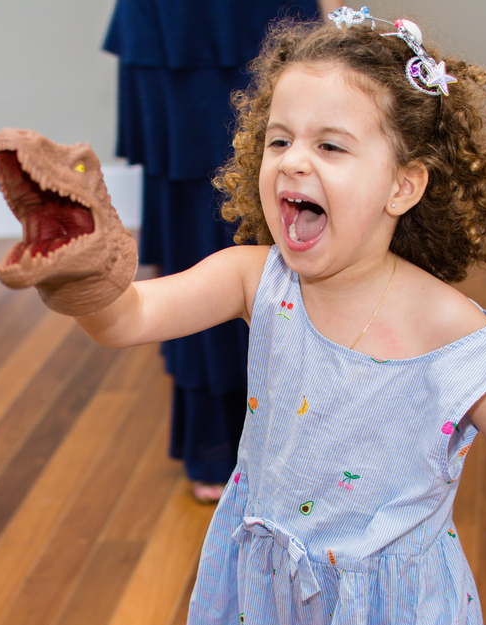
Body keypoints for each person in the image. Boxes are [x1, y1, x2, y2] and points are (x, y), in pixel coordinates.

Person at [0, 8, 486, 625]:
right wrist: (86, 266)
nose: (293, 161)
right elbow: (128, 318)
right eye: (279, 138)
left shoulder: (452, 335)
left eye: (330, 145)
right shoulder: (256, 279)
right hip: (273, 608)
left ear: (404, 184)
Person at [103, 0, 341, 503]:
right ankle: (216, 438)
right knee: (201, 214)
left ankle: (316, 429)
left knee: (303, 200)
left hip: (267, 14)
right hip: (177, 28)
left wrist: (342, 20)